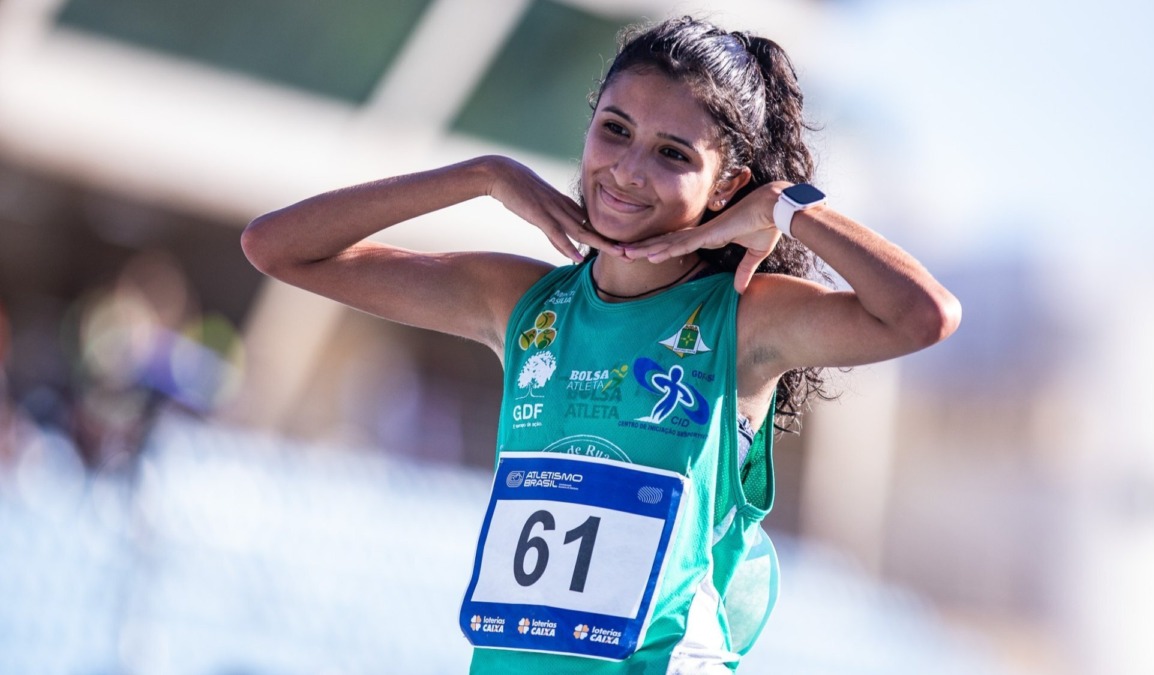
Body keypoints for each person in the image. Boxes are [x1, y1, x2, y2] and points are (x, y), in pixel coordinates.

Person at [242, 15, 960, 674]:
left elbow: (921, 315)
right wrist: (481, 175)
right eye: (615, 130)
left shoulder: (743, 321)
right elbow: (277, 248)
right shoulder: (521, 303)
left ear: (726, 186)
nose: (627, 170)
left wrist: (785, 205)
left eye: (672, 153)